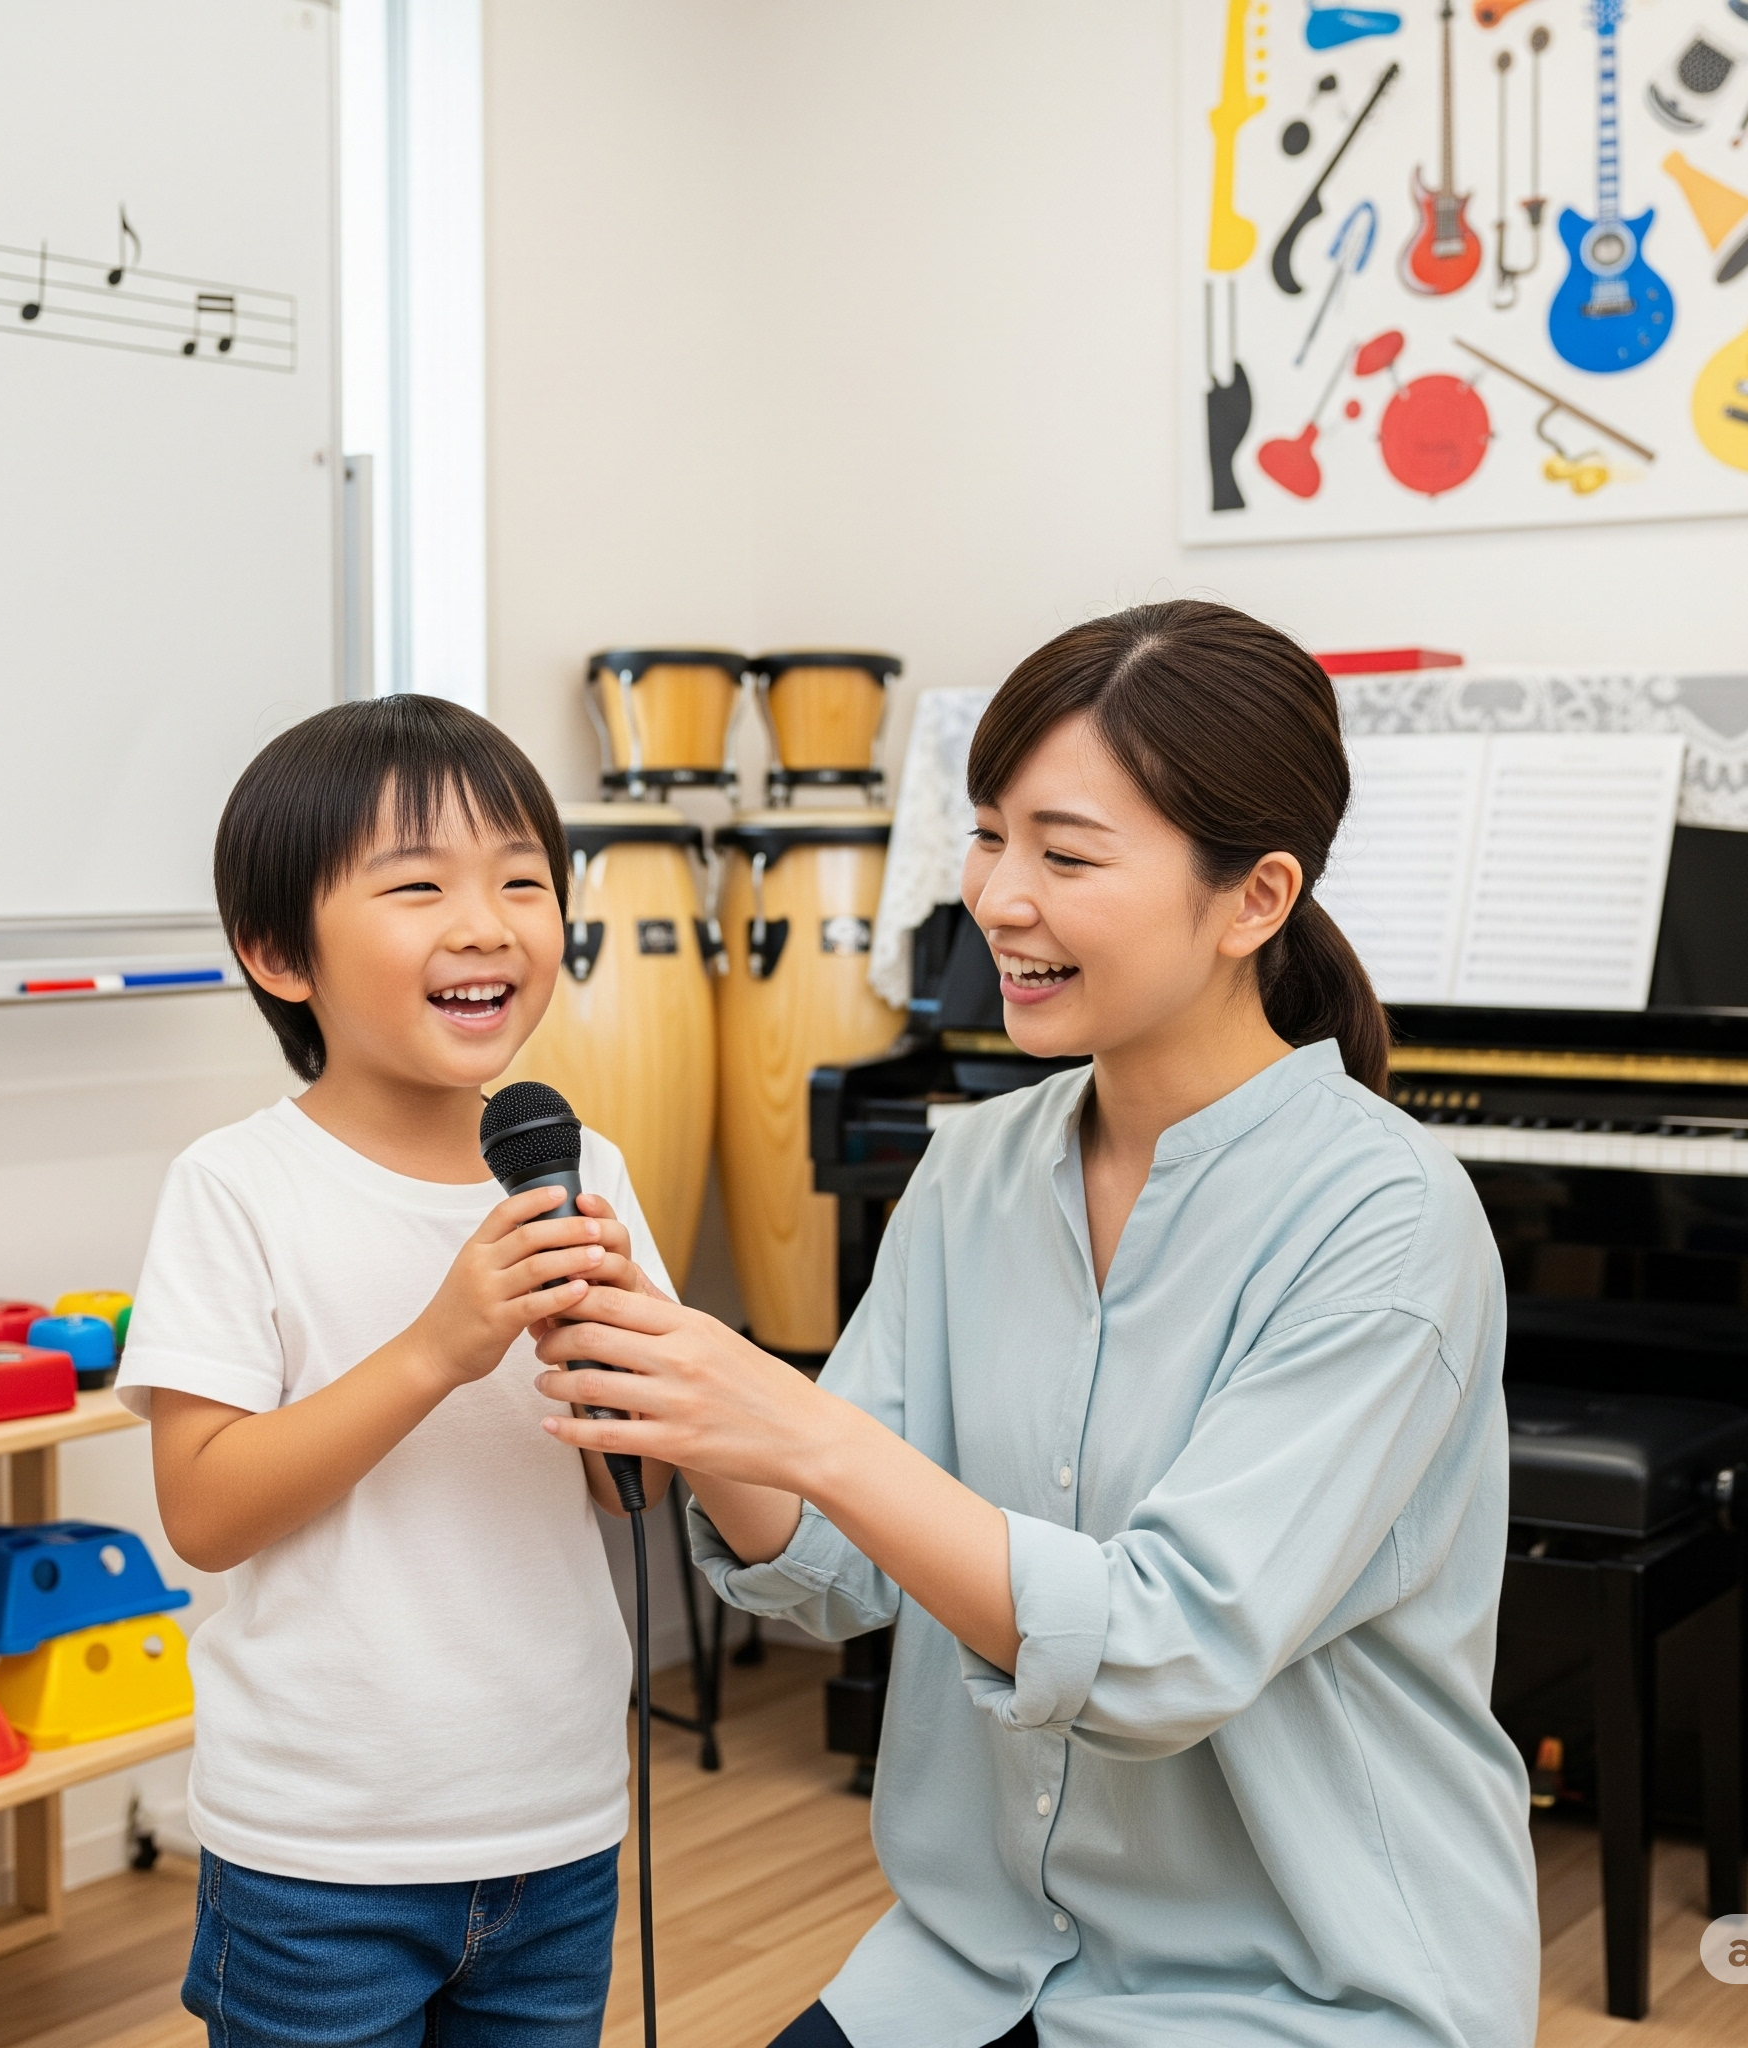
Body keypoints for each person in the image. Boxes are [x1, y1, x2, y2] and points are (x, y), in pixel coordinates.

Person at [532, 602, 1541, 2048]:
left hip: (1304, 1999)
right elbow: (833, 1576)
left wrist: (799, 1423)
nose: (998, 898)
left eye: (1066, 856)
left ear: (1254, 899)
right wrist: (692, 1401)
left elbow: (1161, 1648)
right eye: (989, 835)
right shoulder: (975, 1168)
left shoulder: (1385, 1218)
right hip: (970, 1965)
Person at [119, 695, 673, 2048]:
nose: (486, 925)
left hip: (557, 1823)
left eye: (523, 882)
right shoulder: (237, 1187)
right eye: (419, 886)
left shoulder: (580, 1168)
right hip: (320, 1853)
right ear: (278, 953)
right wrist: (436, 1351)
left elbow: (631, 1492)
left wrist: (625, 1363)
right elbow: (205, 1510)